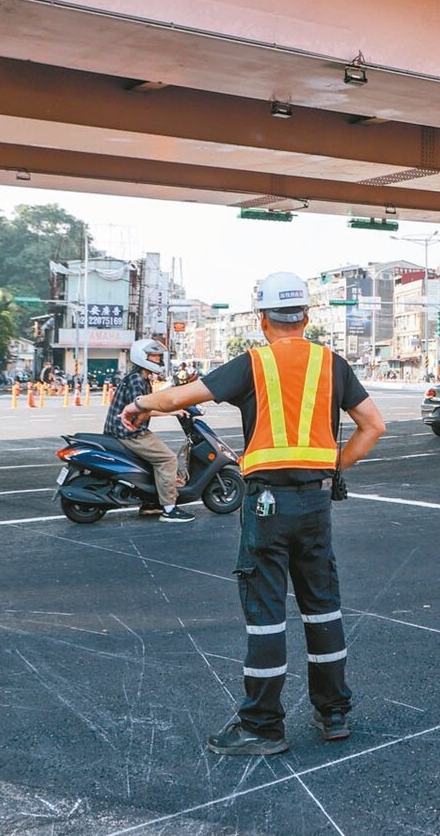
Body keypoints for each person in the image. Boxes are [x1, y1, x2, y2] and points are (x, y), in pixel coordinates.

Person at [123, 272, 386, 757]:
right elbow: (373, 426)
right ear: (306, 317)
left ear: (263, 320)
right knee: (322, 605)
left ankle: (263, 726)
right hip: (315, 503)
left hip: (267, 506)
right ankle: (333, 714)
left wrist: (140, 404)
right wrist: (332, 466)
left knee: (266, 615)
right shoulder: (333, 363)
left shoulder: (254, 363)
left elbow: (180, 397)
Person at [104, 339, 193, 523]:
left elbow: (153, 401)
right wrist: (173, 411)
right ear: (143, 357)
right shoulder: (137, 380)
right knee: (167, 459)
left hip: (126, 430)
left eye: (158, 356)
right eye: (154, 355)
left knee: (153, 460)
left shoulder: (141, 378)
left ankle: (150, 503)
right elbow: (143, 410)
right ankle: (169, 509)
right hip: (129, 432)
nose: (158, 359)